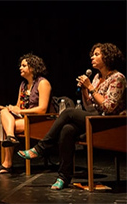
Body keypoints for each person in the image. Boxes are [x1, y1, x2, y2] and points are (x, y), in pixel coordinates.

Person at [18, 43, 126, 190]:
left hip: (109, 122)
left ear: (107, 57)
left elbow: (108, 107)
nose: (92, 57)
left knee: (68, 112)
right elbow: (89, 107)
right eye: (92, 55)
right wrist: (84, 91)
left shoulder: (118, 78)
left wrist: (90, 88)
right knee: (67, 130)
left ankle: (41, 148)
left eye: (96, 54)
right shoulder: (96, 77)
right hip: (94, 117)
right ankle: (63, 177)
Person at [0, 53, 52, 174]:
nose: (20, 68)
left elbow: (42, 109)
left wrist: (20, 111)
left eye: (23, 66)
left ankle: (7, 163)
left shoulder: (43, 83)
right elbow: (18, 106)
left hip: (39, 121)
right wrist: (7, 108)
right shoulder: (23, 85)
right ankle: (11, 138)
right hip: (24, 118)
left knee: (7, 126)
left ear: (32, 67)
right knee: (4, 111)